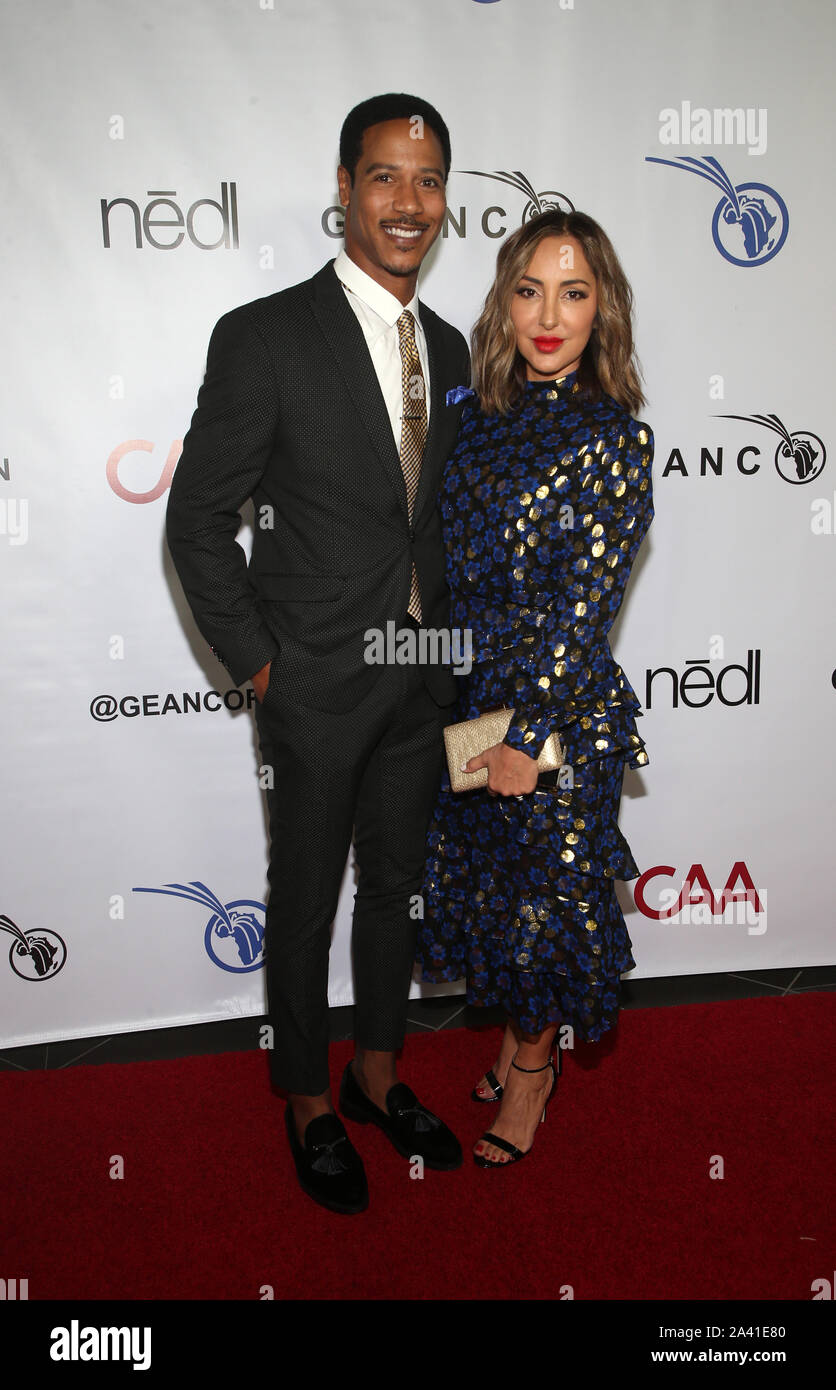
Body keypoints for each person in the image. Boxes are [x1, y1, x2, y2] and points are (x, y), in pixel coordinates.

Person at [165, 93, 470, 1213]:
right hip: (311, 685)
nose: (406, 202)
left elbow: (428, 522)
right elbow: (195, 522)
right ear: (343, 187)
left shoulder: (446, 347)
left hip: (418, 676)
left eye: (426, 182)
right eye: (384, 176)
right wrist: (259, 663)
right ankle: (304, 1098)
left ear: (445, 202)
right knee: (301, 898)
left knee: (393, 889)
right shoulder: (264, 336)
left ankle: (377, 1075)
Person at [416, 208, 654, 1167]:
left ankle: (532, 1073)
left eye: (575, 292)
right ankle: (518, 1044)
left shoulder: (614, 440)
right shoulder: (472, 423)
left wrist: (527, 735)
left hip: (555, 716)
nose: (549, 315)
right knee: (495, 895)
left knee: (552, 903)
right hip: (471, 703)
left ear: (604, 312)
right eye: (529, 290)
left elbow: (585, 607)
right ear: (503, 304)